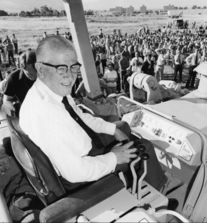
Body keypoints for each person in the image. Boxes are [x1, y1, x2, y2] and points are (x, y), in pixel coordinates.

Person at [19, 36, 170, 194]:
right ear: (40, 69)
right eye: (61, 69)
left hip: (82, 144)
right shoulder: (47, 113)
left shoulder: (52, 91)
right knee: (144, 146)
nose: (70, 77)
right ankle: (157, 192)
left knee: (122, 126)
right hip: (81, 173)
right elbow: (77, 172)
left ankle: (133, 178)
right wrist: (114, 157)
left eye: (74, 67)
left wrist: (114, 130)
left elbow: (81, 116)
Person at [2, 50, 37, 116]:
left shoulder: (46, 75)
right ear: (22, 68)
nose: (34, 77)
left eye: (37, 73)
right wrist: (12, 107)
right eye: (30, 74)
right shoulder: (13, 78)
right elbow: (6, 101)